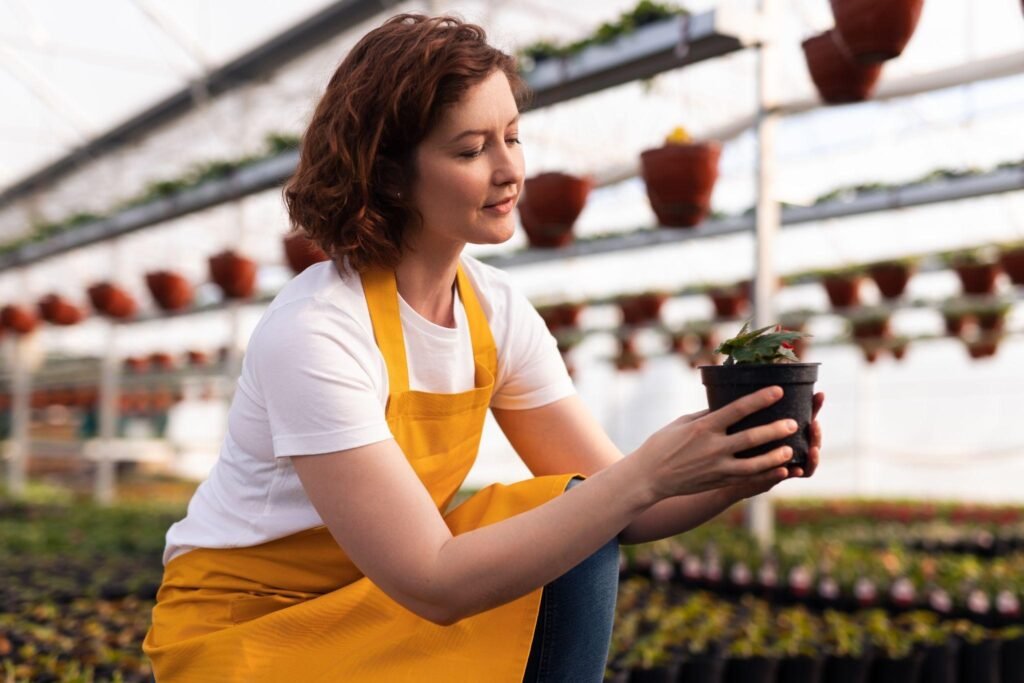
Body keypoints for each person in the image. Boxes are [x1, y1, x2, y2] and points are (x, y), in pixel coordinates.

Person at [143, 13, 824, 682]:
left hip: (374, 597)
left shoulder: (494, 312)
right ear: (389, 176)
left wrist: (734, 470)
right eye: (470, 150)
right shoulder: (318, 330)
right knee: (581, 515)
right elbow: (433, 579)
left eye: (513, 137)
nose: (509, 171)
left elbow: (630, 507)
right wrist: (641, 473)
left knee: (577, 517)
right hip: (250, 634)